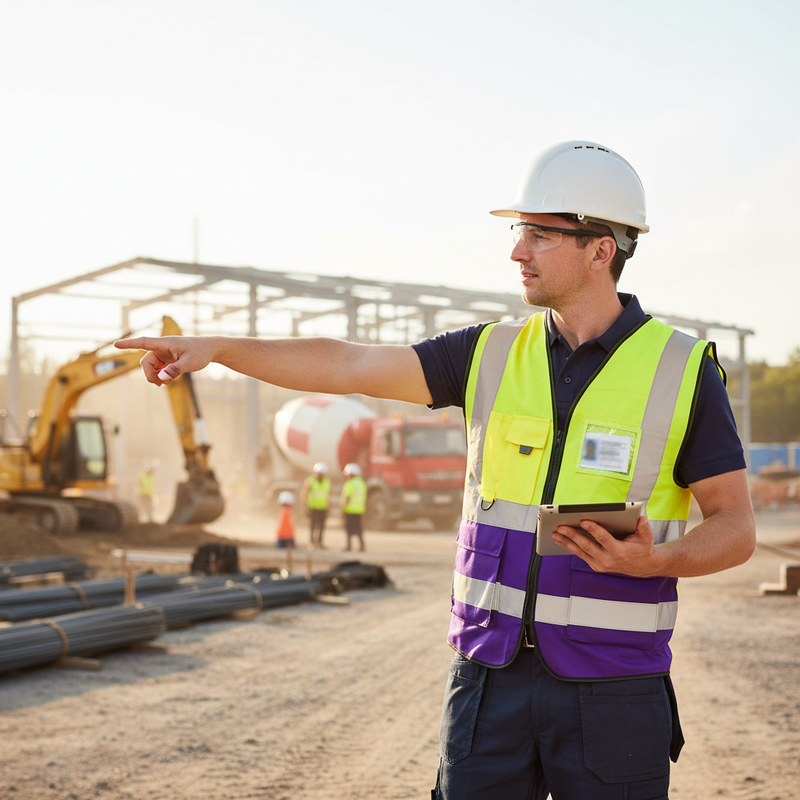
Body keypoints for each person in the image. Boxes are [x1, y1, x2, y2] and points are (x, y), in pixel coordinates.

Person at [115, 140, 756, 799]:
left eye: (540, 234)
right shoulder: (488, 352)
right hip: (488, 681)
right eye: (519, 232)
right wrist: (217, 348)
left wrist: (655, 562)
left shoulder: (682, 370)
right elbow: (349, 364)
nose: (518, 251)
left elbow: (736, 526)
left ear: (601, 249)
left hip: (615, 690)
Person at [301, 462, 331, 548]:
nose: (320, 475)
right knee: (312, 526)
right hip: (313, 507)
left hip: (323, 507)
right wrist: (305, 505)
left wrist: (329, 507)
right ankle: (312, 542)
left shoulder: (327, 482)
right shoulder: (310, 481)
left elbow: (328, 495)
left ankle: (320, 542)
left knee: (321, 526)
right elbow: (305, 494)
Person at [340, 463, 367, 552]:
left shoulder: (350, 483)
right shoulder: (362, 483)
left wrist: (343, 508)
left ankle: (349, 546)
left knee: (349, 529)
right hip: (359, 510)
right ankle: (362, 545)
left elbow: (348, 497)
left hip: (350, 510)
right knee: (359, 528)